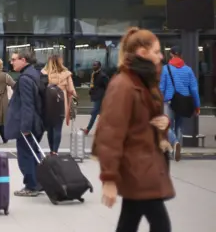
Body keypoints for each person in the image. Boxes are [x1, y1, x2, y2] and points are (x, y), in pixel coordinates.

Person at [92, 27, 174, 232]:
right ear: (142, 53)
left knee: (129, 222)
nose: (161, 56)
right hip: (137, 168)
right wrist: (109, 178)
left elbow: (145, 120)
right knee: (161, 224)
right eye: (156, 51)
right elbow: (110, 133)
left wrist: (164, 122)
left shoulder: (144, 83)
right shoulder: (123, 85)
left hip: (144, 165)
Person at [4, 50, 44, 197]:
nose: (11, 62)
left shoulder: (25, 79)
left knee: (25, 156)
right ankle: (39, 183)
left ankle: (31, 186)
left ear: (24, 60)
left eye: (14, 59)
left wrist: (26, 127)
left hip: (29, 124)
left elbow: (28, 105)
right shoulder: (34, 74)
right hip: (36, 122)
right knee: (33, 155)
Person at [159, 45, 200, 162]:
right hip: (184, 102)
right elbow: (194, 89)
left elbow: (161, 88)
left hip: (169, 101)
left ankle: (175, 143)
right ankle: (177, 151)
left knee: (167, 126)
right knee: (179, 126)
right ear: (181, 55)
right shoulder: (188, 70)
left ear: (171, 54)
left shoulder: (165, 69)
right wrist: (197, 106)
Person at [40, 55, 76, 155]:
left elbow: (41, 89)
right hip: (61, 104)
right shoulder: (66, 74)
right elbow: (72, 90)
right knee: (57, 128)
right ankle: (55, 151)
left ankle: (51, 149)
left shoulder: (44, 73)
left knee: (50, 129)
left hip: (48, 104)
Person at [82, 60, 109, 135]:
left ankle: (87, 129)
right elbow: (94, 84)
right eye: (93, 65)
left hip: (100, 96)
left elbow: (108, 86)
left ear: (99, 66)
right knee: (102, 113)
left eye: (95, 65)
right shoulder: (94, 74)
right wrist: (91, 89)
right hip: (96, 95)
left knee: (94, 112)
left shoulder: (102, 76)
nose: (94, 66)